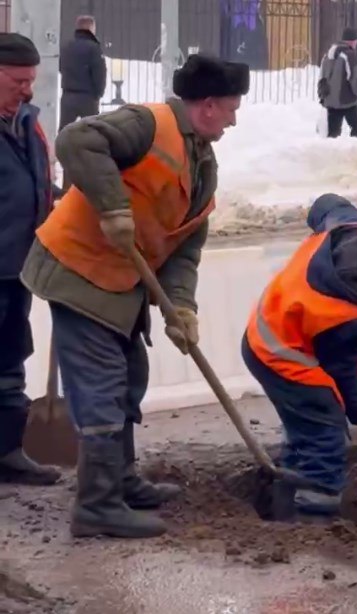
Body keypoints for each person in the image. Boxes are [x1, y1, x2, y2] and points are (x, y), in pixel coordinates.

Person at [20, 53, 250, 539]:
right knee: (102, 386)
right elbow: (76, 141)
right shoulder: (148, 124)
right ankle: (97, 505)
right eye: (231, 108)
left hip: (121, 281)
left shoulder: (201, 163)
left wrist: (181, 307)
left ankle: (120, 481)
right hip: (80, 270)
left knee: (129, 379)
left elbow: (184, 247)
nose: (233, 120)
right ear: (208, 105)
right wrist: (113, 208)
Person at [241, 194, 357, 524]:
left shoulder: (350, 226)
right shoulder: (346, 313)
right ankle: (315, 519)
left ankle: (284, 509)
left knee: (305, 430)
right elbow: (343, 375)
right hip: (282, 355)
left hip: (277, 327)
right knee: (325, 430)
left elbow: (326, 203)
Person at [0, 33, 63, 486]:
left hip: (16, 268)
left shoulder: (26, 123)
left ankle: (6, 451)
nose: (26, 90)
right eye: (17, 81)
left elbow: (34, 183)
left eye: (30, 81)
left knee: (9, 358)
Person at [318, 27, 357, 138]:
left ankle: (331, 149)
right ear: (353, 41)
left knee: (333, 134)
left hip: (331, 102)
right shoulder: (349, 55)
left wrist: (323, 97)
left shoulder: (327, 55)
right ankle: (354, 148)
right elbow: (355, 80)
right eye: (356, 40)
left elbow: (321, 78)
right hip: (347, 101)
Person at [59, 15, 106, 133]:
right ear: (91, 28)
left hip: (68, 95)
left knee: (64, 130)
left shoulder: (67, 46)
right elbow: (99, 73)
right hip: (88, 97)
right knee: (92, 131)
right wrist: (99, 93)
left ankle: (62, 145)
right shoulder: (94, 48)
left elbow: (61, 67)